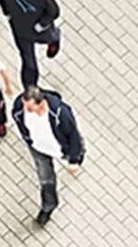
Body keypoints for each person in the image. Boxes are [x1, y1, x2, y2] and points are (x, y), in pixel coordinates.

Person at [11, 86, 85, 225]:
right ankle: (48, 207)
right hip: (39, 148)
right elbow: (19, 121)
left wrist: (74, 160)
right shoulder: (19, 107)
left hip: (61, 148)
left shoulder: (60, 113)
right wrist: (29, 140)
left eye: (30, 108)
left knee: (77, 153)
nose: (26, 110)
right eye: (25, 105)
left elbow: (73, 135)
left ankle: (78, 158)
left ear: (41, 102)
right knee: (46, 179)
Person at [0, 0, 61, 90]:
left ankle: (55, 39)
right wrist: (7, 14)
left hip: (40, 29)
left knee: (51, 37)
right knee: (28, 62)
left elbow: (54, 11)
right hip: (20, 31)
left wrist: (41, 25)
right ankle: (30, 87)